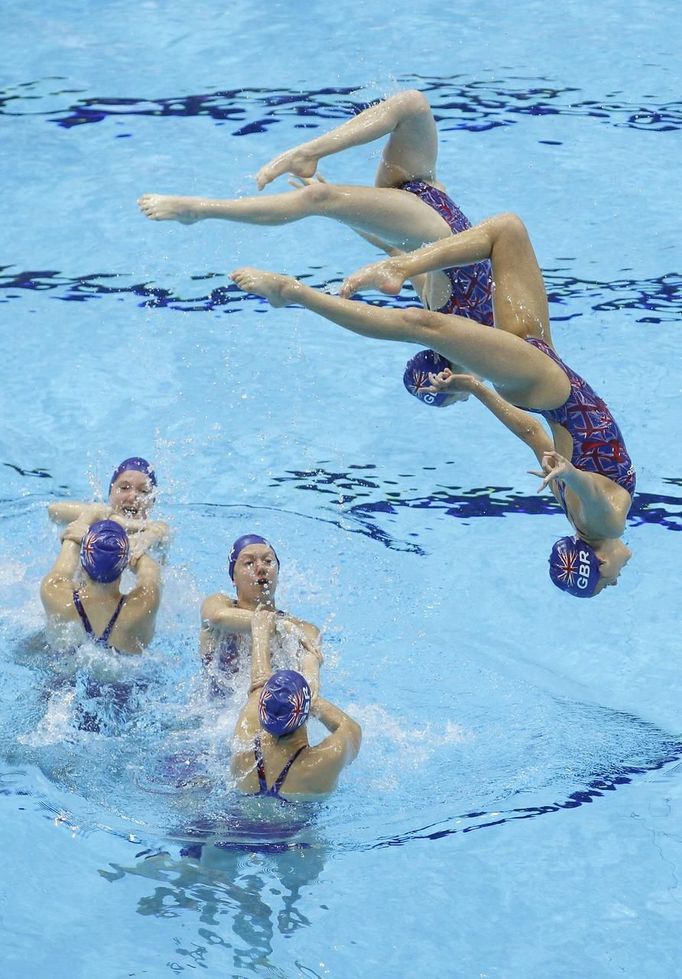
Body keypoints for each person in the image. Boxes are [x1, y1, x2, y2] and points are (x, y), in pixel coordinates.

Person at [228, 211, 635, 597]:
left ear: (597, 560)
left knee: (424, 324)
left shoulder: (601, 520)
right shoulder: (572, 508)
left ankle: (295, 292)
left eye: (606, 582)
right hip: (544, 373)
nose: (615, 580)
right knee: (506, 233)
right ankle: (399, 266)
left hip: (545, 382)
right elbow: (533, 434)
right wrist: (478, 389)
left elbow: (595, 491)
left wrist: (571, 472)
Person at [138, 89, 493, 338]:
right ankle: (307, 153)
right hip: (423, 190)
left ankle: (197, 210)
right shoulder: (465, 336)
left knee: (320, 198)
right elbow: (395, 252)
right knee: (412, 105)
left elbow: (399, 255)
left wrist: (340, 210)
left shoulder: (443, 324)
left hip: (434, 225)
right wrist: (352, 213)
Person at [230, 607, 361, 800]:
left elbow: (258, 684)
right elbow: (351, 729)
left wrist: (260, 631)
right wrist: (313, 698)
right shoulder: (319, 763)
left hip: (245, 823)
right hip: (297, 829)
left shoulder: (243, 752)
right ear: (305, 710)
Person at [200, 534, 323, 698]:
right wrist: (280, 626)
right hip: (211, 717)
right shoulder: (219, 603)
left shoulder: (304, 629)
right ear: (233, 578)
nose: (261, 568)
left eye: (268, 561)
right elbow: (217, 617)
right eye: (249, 563)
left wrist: (311, 680)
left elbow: (310, 678)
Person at [40, 516, 162, 653]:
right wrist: (127, 547)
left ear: (83, 564)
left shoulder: (53, 592)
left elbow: (71, 537)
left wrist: (87, 536)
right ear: (123, 564)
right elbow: (150, 569)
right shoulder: (145, 603)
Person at [48, 456, 170, 560]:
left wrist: (144, 538)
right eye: (124, 488)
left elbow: (160, 532)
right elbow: (54, 509)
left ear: (152, 501)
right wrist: (123, 522)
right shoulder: (98, 512)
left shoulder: (155, 526)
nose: (133, 496)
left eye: (144, 491)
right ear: (110, 494)